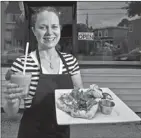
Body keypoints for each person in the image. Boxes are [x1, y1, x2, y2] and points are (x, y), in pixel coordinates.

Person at [3, 7, 83, 138]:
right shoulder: (22, 64)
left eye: (54, 26)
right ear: (34, 31)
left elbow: (80, 93)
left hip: (62, 134)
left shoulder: (70, 61)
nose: (49, 32)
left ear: (60, 29)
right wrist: (11, 101)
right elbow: (11, 113)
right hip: (31, 133)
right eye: (43, 27)